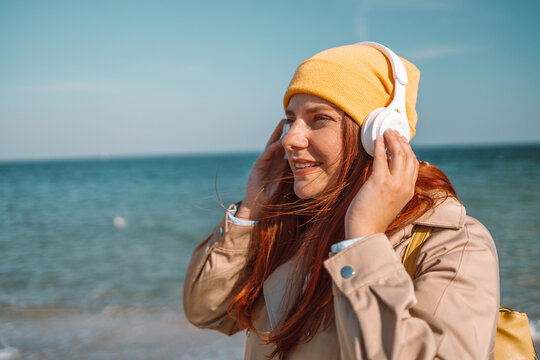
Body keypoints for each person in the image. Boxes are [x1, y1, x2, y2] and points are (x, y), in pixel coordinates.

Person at [183, 42, 500, 359]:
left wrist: (362, 240)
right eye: (291, 119)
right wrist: (252, 212)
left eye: (318, 118)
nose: (291, 138)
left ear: (380, 132)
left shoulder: (454, 244)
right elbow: (206, 311)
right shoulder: (294, 227)